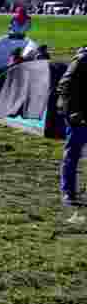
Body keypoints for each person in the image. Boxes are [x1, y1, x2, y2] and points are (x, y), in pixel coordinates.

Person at [57, 46, 87, 206]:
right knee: (73, 154)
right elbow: (64, 86)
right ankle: (68, 192)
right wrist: (73, 112)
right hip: (78, 116)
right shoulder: (83, 60)